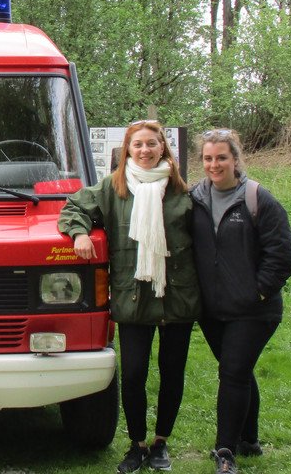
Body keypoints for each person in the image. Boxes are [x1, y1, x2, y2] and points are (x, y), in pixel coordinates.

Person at [58, 120, 200, 474]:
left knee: (172, 374)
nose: (145, 151)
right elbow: (72, 208)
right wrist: (79, 234)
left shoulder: (182, 192)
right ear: (127, 150)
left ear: (163, 148)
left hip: (174, 298)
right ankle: (136, 444)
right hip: (133, 297)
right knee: (134, 375)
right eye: (138, 145)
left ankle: (161, 442)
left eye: (152, 144)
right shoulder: (113, 188)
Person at [191, 129, 291, 474]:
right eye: (208, 158)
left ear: (235, 159)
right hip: (212, 310)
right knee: (239, 370)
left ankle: (226, 451)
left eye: (221, 157)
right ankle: (249, 440)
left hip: (254, 310)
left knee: (232, 373)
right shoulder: (195, 199)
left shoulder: (257, 199)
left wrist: (258, 292)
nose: (214, 164)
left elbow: (282, 255)